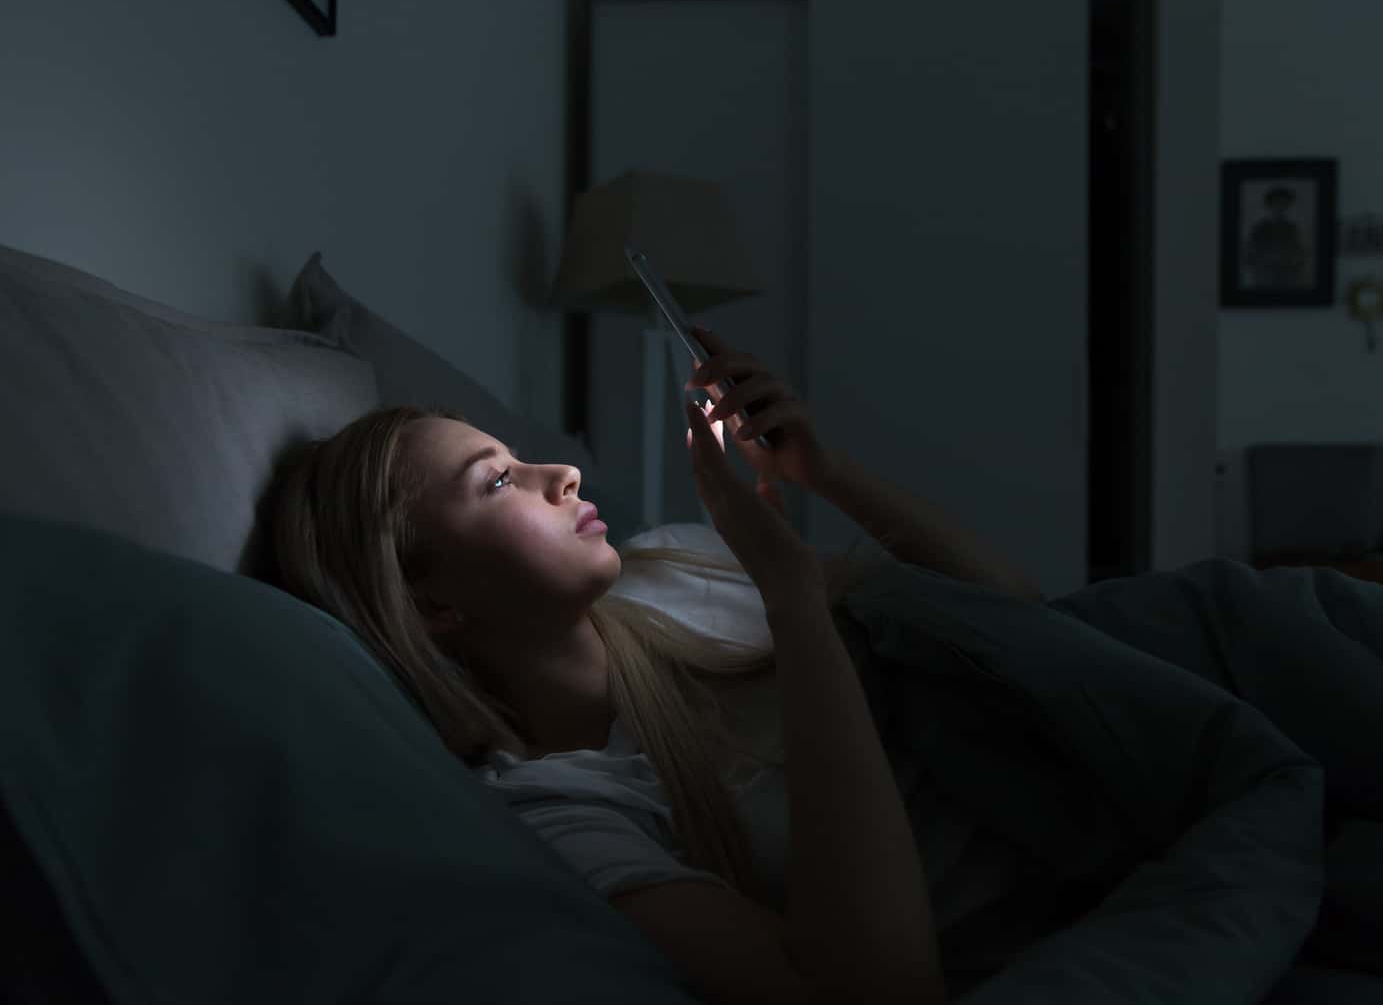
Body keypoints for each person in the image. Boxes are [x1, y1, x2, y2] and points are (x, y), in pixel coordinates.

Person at [265, 325, 1045, 1004]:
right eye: (498, 481)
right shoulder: (561, 811)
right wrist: (791, 598)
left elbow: (1025, 624)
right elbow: (874, 994)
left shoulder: (673, 559)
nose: (561, 474)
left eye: (518, 459)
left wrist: (827, 475)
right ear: (435, 606)